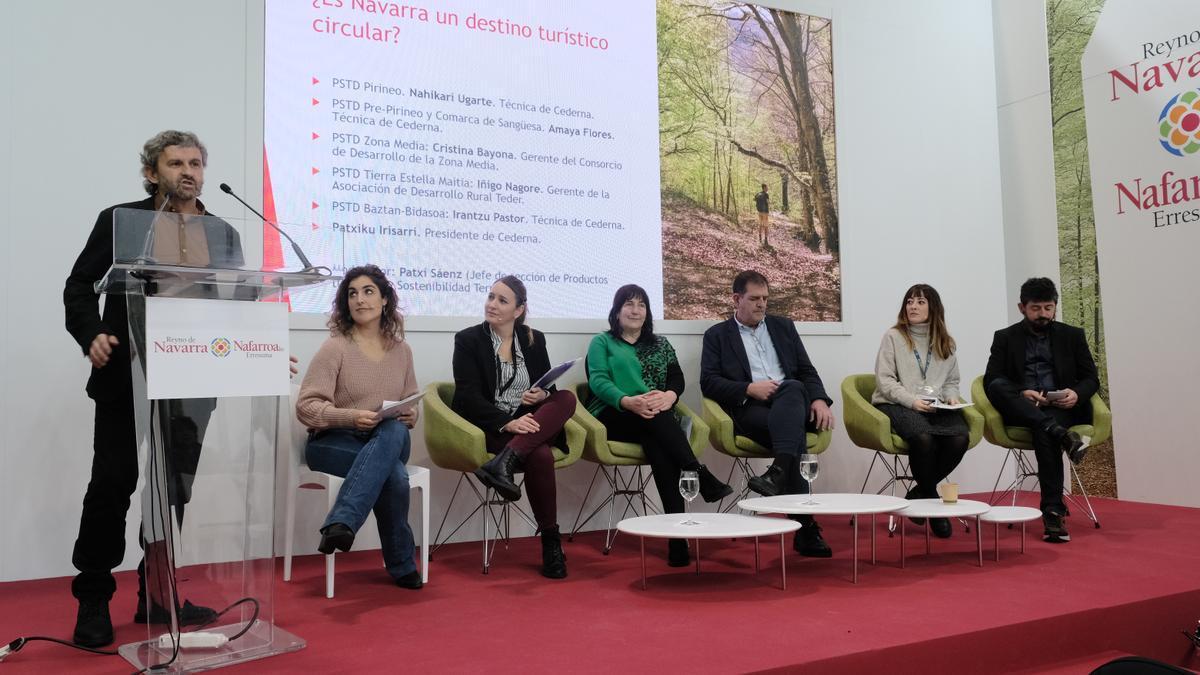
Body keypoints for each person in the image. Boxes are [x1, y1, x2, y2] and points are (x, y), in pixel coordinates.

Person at [63, 130, 244, 648]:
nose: (188, 171)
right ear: (152, 172)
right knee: (112, 486)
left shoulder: (224, 231)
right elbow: (79, 286)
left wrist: (262, 348)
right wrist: (91, 333)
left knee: (172, 493)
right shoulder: (122, 221)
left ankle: (157, 593)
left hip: (192, 380)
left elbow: (237, 303)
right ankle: (94, 598)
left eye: (195, 163)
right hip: (128, 376)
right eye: (175, 163)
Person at [586, 284, 732, 567]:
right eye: (628, 304)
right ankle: (699, 473)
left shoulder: (661, 343)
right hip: (613, 413)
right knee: (656, 421)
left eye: (641, 304)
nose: (635, 310)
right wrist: (628, 401)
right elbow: (598, 381)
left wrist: (669, 396)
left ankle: (676, 539)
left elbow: (676, 379)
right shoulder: (602, 342)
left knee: (659, 446)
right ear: (616, 312)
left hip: (653, 418)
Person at [296, 264, 423, 588]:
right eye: (352, 293)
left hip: (386, 436)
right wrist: (350, 417)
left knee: (394, 429)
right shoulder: (335, 347)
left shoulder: (402, 350)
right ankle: (401, 564)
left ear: (384, 300)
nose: (360, 299)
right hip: (332, 441)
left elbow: (411, 398)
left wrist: (411, 414)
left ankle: (342, 521)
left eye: (368, 292)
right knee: (393, 475)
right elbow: (307, 407)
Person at [700, 270, 835, 558]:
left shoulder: (783, 327)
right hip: (752, 411)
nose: (762, 304)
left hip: (791, 403)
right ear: (737, 299)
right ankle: (804, 525)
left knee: (793, 387)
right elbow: (708, 382)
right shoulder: (717, 336)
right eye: (754, 299)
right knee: (794, 436)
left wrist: (821, 400)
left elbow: (807, 371)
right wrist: (749, 388)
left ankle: (779, 474)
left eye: (765, 299)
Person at [451, 276, 577, 579]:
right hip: (490, 425)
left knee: (566, 398)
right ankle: (551, 543)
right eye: (491, 297)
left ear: (519, 310)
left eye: (502, 300)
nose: (492, 304)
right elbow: (467, 396)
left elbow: (548, 386)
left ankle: (504, 462)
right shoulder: (468, 339)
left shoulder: (534, 338)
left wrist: (541, 394)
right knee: (541, 456)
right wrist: (508, 422)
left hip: (527, 419)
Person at [984, 277, 1096, 544]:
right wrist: (1022, 392)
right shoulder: (1005, 337)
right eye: (1036, 308)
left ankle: (1052, 511)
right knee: (1000, 386)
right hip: (1021, 405)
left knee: (1044, 429)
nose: (1043, 314)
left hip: (1060, 406)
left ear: (1055, 307)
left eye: (1048, 307)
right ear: (1022, 307)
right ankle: (1061, 435)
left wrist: (1076, 393)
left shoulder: (1072, 336)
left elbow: (1091, 378)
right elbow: (991, 379)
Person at [872, 284, 969, 538]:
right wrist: (911, 401)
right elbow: (885, 380)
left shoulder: (946, 342)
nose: (912, 307)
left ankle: (918, 493)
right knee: (922, 438)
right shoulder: (893, 336)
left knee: (959, 438)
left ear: (933, 307)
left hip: (932, 404)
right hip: (896, 403)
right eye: (909, 302)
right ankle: (932, 503)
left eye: (920, 302)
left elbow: (951, 381)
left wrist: (949, 397)